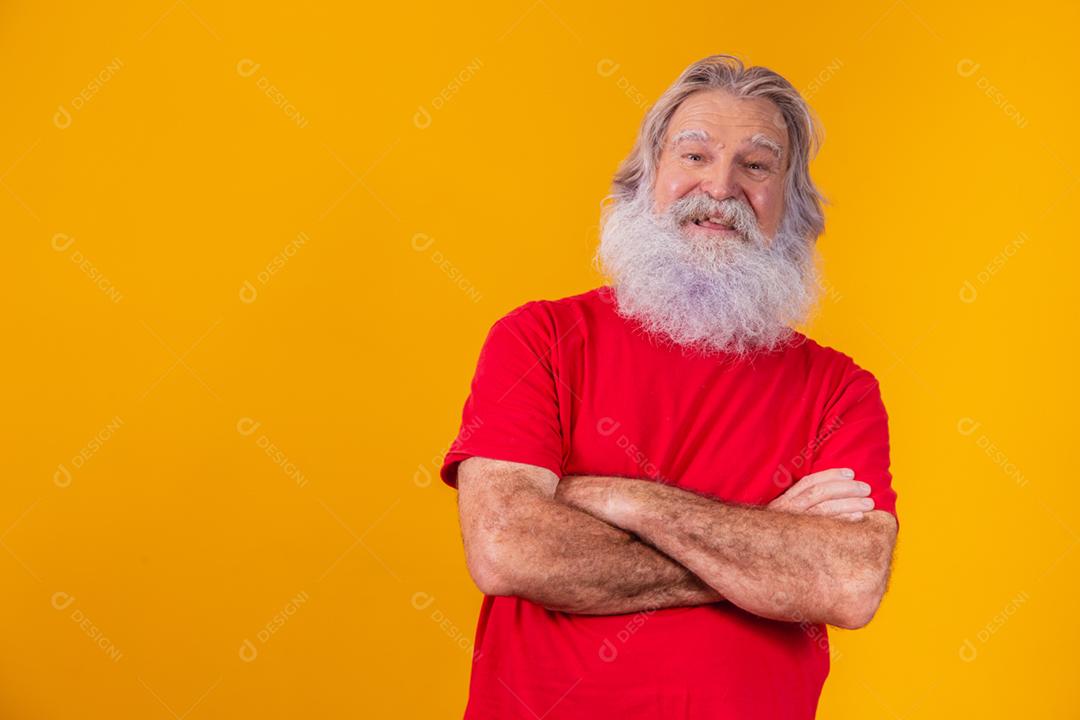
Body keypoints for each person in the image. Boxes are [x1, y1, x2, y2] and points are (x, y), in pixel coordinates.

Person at [440, 53, 900, 719]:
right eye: (694, 156)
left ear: (789, 206)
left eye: (757, 165)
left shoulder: (840, 389)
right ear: (646, 179)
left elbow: (850, 581)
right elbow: (509, 548)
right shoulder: (539, 339)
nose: (720, 186)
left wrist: (615, 499)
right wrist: (767, 551)